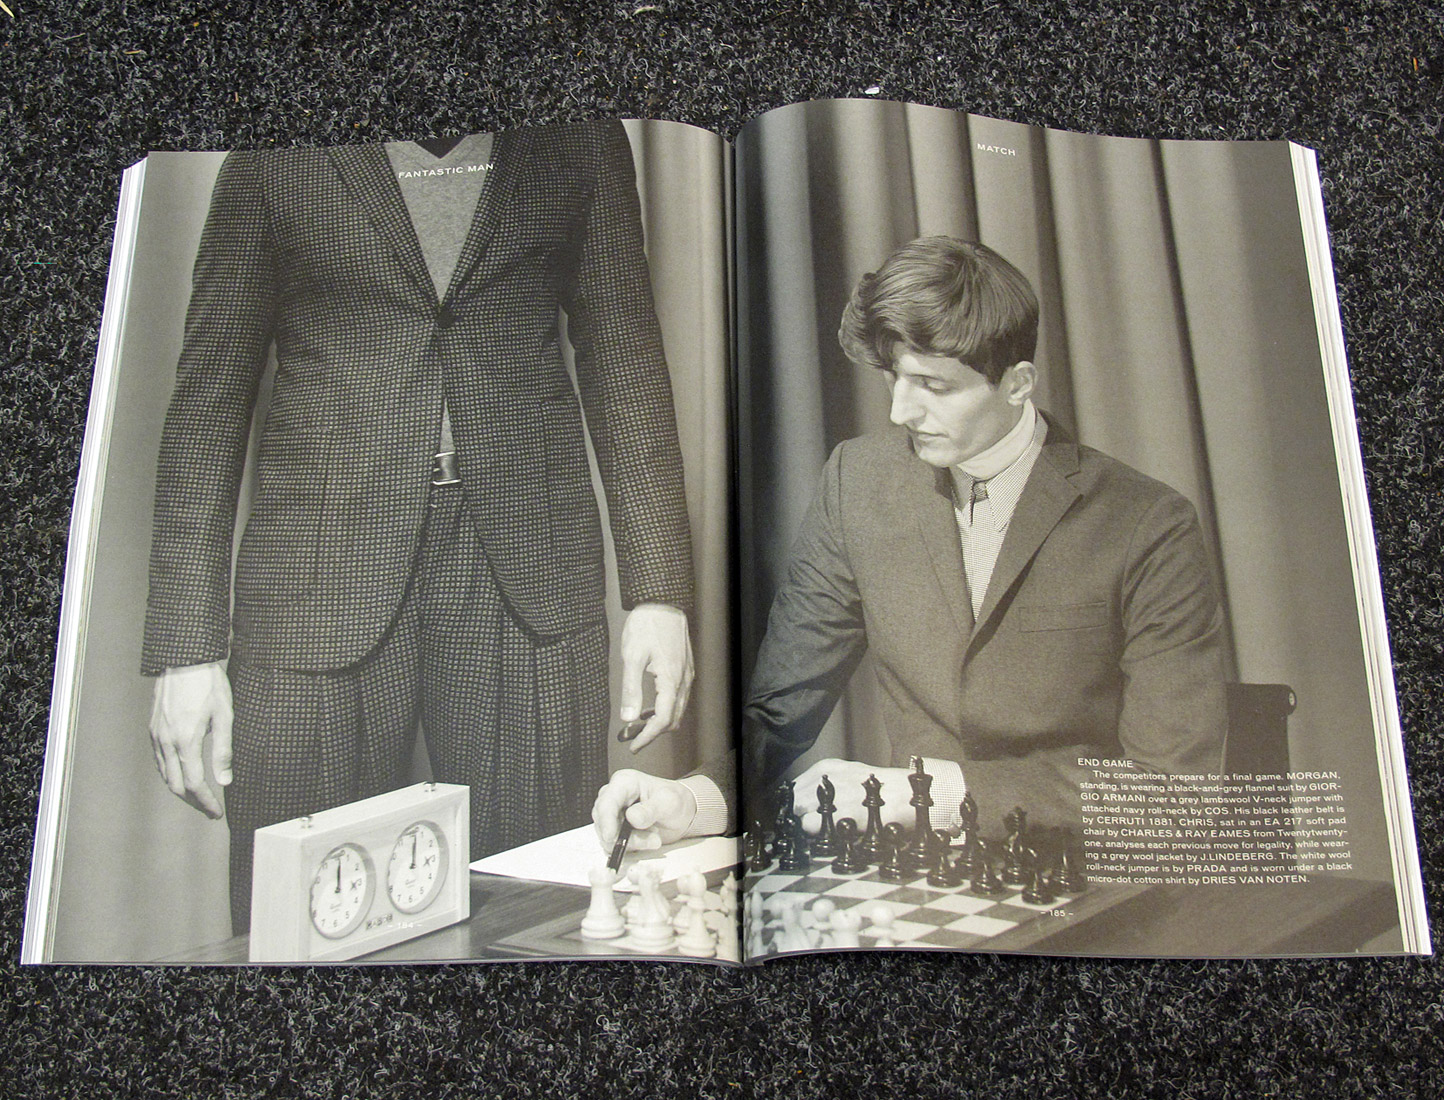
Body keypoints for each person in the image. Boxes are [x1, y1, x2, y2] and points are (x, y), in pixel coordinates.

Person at [144, 121, 695, 932]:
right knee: (297, 922)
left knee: (541, 915)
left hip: (527, 573)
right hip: (316, 573)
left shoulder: (579, 138)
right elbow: (208, 399)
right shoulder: (272, 153)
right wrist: (187, 647)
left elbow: (626, 356)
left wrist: (658, 594)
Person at [593, 235, 1225, 853]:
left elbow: (1178, 795)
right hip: (918, 873)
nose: (900, 412)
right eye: (894, 378)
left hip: (1085, 874)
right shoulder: (858, 481)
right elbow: (780, 712)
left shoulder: (1149, 524)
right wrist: (698, 799)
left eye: (934, 386)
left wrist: (935, 794)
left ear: (1018, 384)